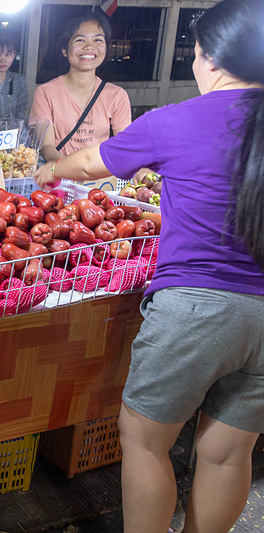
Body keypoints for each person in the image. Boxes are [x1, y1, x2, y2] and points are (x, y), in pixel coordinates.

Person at [33, 1, 264, 531]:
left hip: (196, 309)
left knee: (143, 440)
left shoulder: (178, 119)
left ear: (207, 58)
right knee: (229, 453)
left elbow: (94, 163)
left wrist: (50, 170)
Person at [30, 11, 131, 162]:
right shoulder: (45, 93)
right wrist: (70, 171)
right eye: (80, 40)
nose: (90, 46)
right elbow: (47, 147)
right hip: (60, 177)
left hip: (100, 178)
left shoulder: (117, 95)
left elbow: (123, 147)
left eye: (98, 40)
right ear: (65, 49)